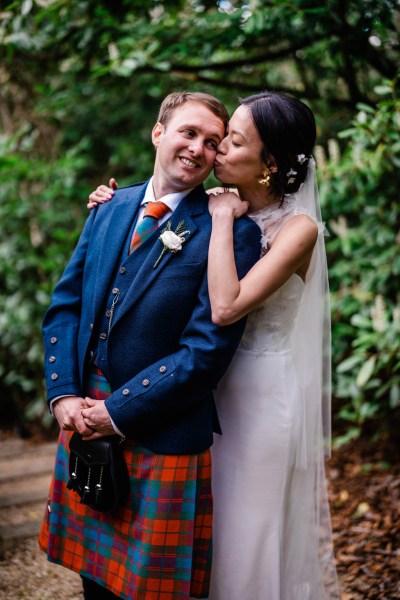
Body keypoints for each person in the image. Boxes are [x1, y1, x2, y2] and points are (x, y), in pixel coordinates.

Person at [89, 91, 340, 600]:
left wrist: (225, 218)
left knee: (247, 538)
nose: (217, 149)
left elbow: (226, 308)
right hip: (203, 389)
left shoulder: (298, 229)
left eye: (232, 140)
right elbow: (152, 234)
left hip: (260, 399)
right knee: (199, 533)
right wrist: (111, 209)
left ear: (268, 163)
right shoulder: (206, 203)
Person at [38, 91, 262, 600]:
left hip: (162, 424)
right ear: (158, 132)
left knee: (153, 590)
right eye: (188, 132)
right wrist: (65, 393)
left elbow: (206, 351)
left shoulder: (232, 233)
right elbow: (65, 307)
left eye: (212, 141)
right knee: (93, 578)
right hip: (83, 410)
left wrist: (115, 411)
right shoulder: (109, 206)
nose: (198, 149)